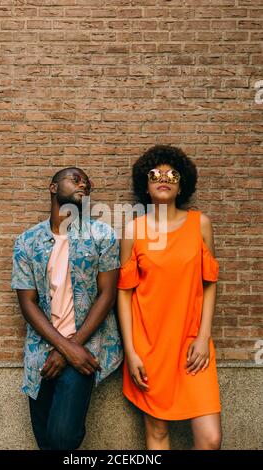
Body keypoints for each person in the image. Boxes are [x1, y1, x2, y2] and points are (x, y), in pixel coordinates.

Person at [117, 145, 222, 450]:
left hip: (192, 344)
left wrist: (204, 337)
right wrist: (132, 351)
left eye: (172, 174)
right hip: (149, 346)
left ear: (181, 184)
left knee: (211, 438)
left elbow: (210, 282)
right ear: (146, 187)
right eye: (155, 174)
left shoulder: (200, 224)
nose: (164, 178)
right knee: (158, 433)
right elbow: (124, 293)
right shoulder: (134, 230)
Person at [11, 167, 123, 450]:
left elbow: (107, 295)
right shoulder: (27, 241)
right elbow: (27, 303)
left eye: (87, 181)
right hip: (41, 354)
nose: (83, 183)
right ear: (52, 188)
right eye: (75, 178)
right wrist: (64, 347)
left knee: (62, 438)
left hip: (84, 350)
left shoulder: (102, 235)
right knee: (45, 438)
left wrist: (74, 348)